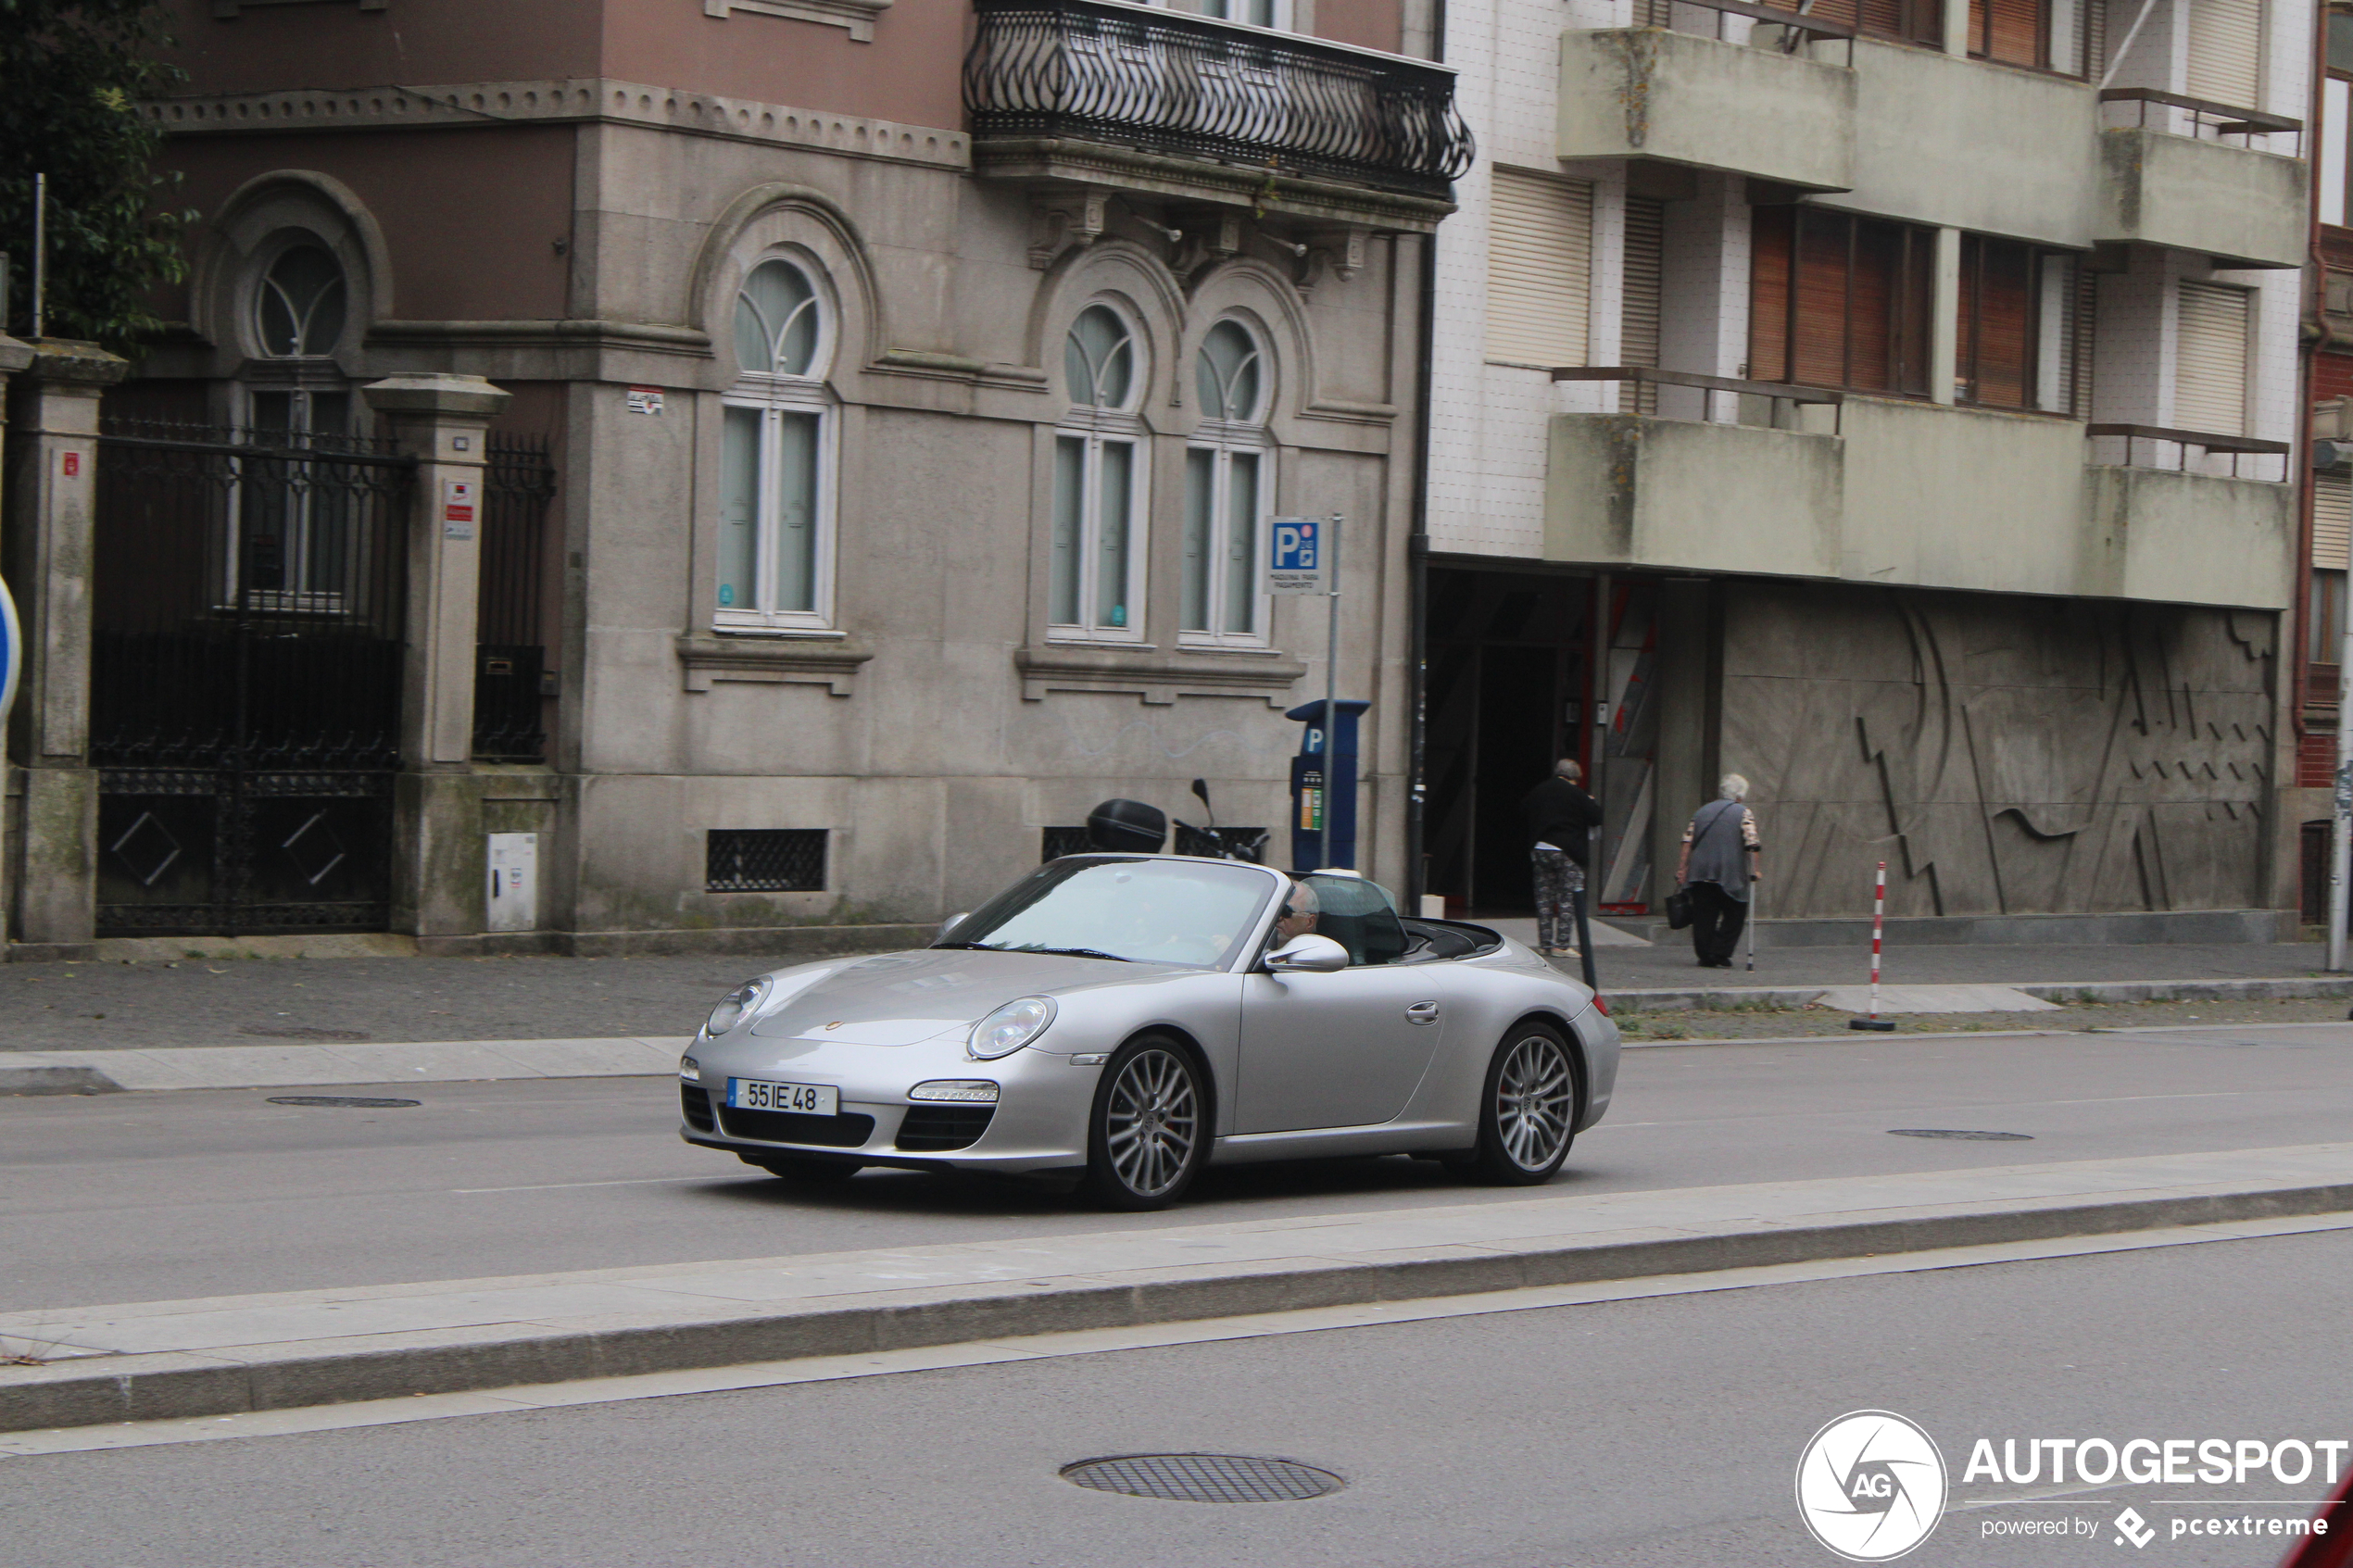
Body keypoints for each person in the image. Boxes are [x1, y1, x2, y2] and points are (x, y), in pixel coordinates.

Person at [1675, 773, 1762, 968]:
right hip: (1729, 871)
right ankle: (1720, 952)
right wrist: (1756, 870)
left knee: (1703, 914)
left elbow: (1687, 841)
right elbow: (1752, 843)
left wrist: (1682, 868)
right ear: (1740, 795)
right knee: (1735, 911)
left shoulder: (1702, 811)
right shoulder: (1743, 812)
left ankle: (1706, 955)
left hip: (1700, 871)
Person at [1521, 758, 1604, 960]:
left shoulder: (1539, 790)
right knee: (1567, 898)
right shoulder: (1577, 794)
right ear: (1574, 777)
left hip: (1541, 849)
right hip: (1567, 851)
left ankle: (1545, 944)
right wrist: (1591, 802)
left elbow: (1524, 810)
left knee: (1544, 899)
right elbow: (1596, 818)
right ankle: (1562, 945)